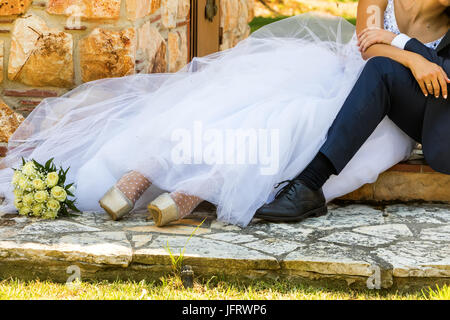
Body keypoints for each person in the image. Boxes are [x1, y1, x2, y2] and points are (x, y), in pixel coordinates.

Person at [0, 1, 443, 228]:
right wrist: (412, 56)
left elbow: (400, 64)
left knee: (303, 120)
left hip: (387, 116)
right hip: (344, 72)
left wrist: (403, 51)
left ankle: (199, 183)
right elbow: (366, 45)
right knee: (258, 96)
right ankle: (151, 168)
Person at [256, 0, 450, 222]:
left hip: (437, 110)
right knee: (299, 116)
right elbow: (369, 48)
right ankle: (297, 184)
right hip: (361, 79)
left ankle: (309, 183)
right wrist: (413, 59)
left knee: (382, 70)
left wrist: (399, 41)